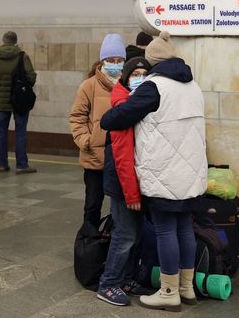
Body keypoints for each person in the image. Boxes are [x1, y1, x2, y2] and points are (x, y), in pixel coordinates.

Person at [101, 31, 207, 312]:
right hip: (191, 173)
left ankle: (168, 292)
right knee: (184, 227)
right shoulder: (193, 86)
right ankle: (187, 288)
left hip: (165, 173)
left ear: (153, 62)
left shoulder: (154, 86)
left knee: (164, 230)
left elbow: (114, 118)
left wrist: (110, 114)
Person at [97, 57, 153, 306]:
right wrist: (131, 194)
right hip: (122, 182)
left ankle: (126, 278)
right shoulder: (123, 106)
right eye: (135, 74)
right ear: (125, 78)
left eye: (144, 73)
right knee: (125, 234)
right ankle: (108, 284)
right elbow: (122, 155)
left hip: (134, 182)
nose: (139, 78)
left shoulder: (139, 104)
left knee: (137, 233)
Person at [69, 34, 126, 229]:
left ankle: (114, 243)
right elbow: (77, 116)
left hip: (121, 156)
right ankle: (89, 243)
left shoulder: (129, 85)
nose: (115, 64)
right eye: (111, 60)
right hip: (95, 157)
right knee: (92, 205)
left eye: (119, 61)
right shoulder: (89, 85)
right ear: (102, 61)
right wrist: (86, 140)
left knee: (120, 208)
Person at [0, 31, 37, 174]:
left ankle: (2, 164)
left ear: (3, 40)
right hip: (19, 102)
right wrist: (22, 87)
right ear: (15, 41)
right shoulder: (22, 56)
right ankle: (21, 165)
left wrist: (0, 85)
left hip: (2, 101)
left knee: (1, 133)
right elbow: (31, 76)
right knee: (20, 133)